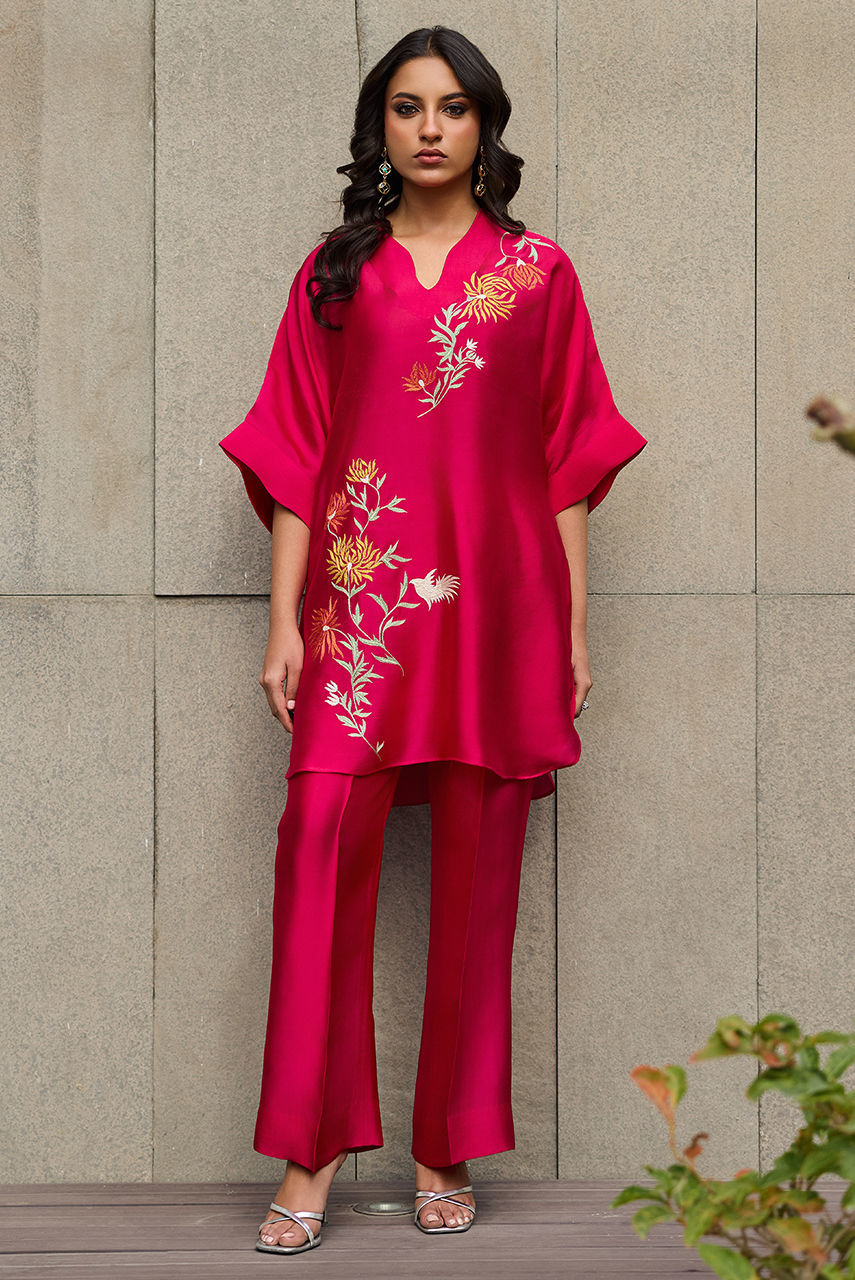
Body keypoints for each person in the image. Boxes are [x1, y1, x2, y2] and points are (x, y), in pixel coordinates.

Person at [219, 25, 647, 1256]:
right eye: (407, 107)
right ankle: (310, 1149)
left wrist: (573, 623)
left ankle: (445, 1144)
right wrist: (283, 621)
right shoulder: (334, 276)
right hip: (359, 605)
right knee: (318, 841)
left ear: (483, 126)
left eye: (453, 107)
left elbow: (569, 455)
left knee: (476, 870)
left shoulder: (539, 274)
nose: (429, 128)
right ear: (381, 128)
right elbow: (295, 451)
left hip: (499, 605)